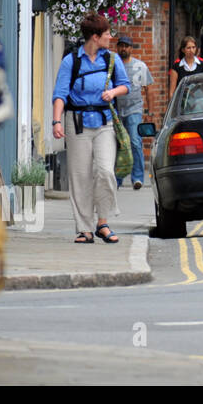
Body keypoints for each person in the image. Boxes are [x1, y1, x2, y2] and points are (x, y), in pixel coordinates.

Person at [51, 12, 130, 244]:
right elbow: (60, 94)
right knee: (80, 176)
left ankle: (102, 223)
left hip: (105, 121)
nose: (110, 37)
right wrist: (56, 122)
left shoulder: (111, 60)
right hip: (77, 122)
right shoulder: (71, 61)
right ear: (95, 37)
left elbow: (125, 85)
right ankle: (84, 228)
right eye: (106, 33)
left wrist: (113, 92)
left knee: (105, 171)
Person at [114, 35, 152, 190]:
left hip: (134, 108)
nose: (124, 49)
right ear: (117, 48)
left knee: (135, 142)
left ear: (131, 48)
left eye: (126, 46)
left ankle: (137, 177)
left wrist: (150, 110)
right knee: (117, 143)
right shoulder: (114, 65)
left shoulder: (140, 66)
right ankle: (117, 178)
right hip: (116, 108)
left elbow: (148, 87)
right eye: (121, 46)